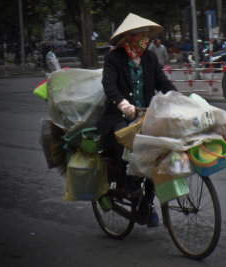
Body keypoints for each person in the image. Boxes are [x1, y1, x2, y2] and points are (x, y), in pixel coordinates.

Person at [97, 13, 177, 226]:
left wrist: (178, 98)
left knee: (159, 154)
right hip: (118, 116)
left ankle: (147, 204)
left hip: (148, 116)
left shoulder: (150, 57)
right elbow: (109, 86)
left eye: (146, 34)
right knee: (128, 142)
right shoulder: (113, 58)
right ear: (128, 37)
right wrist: (123, 104)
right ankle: (130, 185)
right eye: (139, 34)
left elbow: (163, 82)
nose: (144, 38)